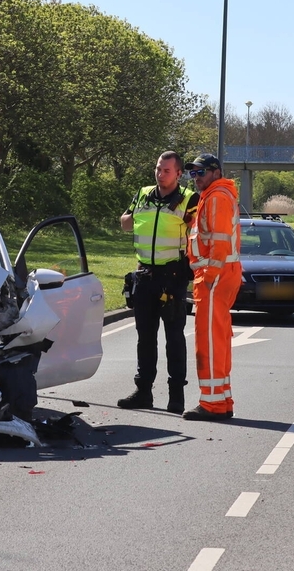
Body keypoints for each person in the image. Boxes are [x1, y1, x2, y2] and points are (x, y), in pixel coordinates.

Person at [117, 151, 198, 414]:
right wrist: (134, 217)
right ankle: (143, 392)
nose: (160, 174)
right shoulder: (143, 194)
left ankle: (177, 396)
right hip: (144, 276)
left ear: (178, 173)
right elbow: (125, 224)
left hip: (172, 278)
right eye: (158, 169)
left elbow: (199, 231)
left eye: (166, 170)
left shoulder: (188, 199)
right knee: (145, 338)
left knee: (174, 338)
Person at [182, 153, 241, 421]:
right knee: (217, 338)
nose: (195, 178)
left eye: (200, 172)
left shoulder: (216, 196)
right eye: (192, 173)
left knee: (209, 342)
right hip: (217, 276)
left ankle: (213, 405)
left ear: (215, 172)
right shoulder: (214, 195)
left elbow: (219, 241)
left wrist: (208, 276)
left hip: (213, 278)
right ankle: (222, 400)